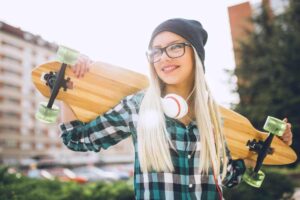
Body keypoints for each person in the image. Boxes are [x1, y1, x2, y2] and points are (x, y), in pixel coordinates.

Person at [59, 18, 293, 199]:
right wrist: (70, 87)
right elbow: (77, 139)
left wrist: (268, 149)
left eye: (175, 47)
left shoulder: (214, 118)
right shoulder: (137, 107)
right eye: (156, 51)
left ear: (196, 54)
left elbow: (227, 176)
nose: (163, 57)